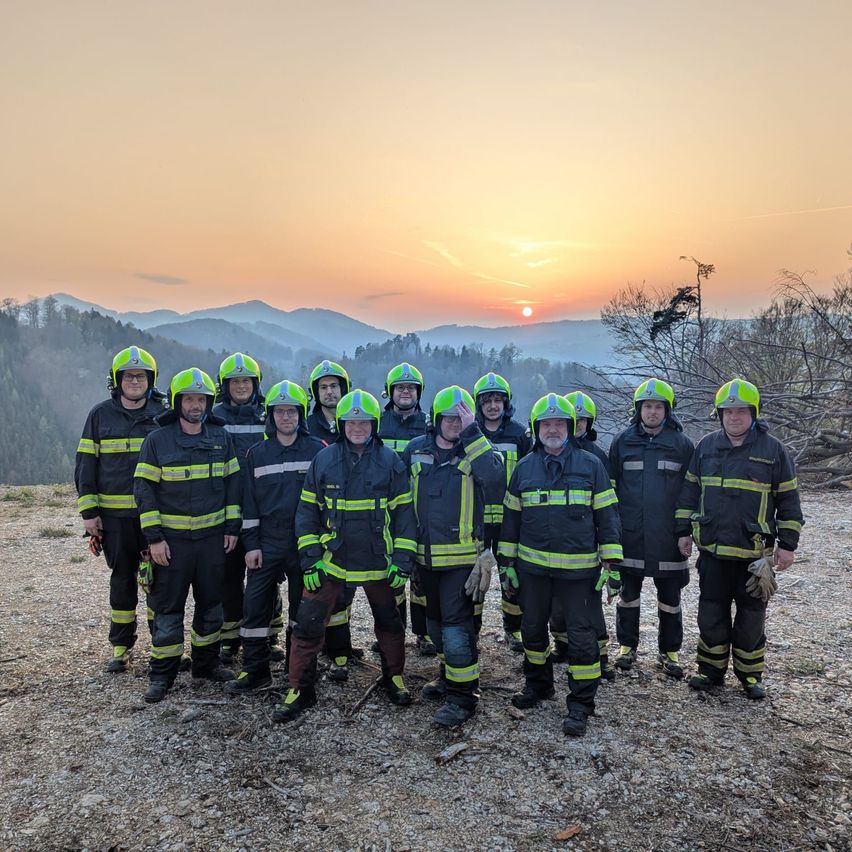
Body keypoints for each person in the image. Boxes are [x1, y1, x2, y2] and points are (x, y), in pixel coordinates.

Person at [273, 389, 417, 723]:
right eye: (351, 422)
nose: (358, 428)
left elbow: (405, 517)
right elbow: (306, 514)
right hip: (331, 561)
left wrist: (402, 562)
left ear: (374, 424)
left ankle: (394, 677)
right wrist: (310, 561)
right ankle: (299, 688)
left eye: (364, 422)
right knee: (308, 624)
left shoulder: (391, 462)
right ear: (341, 425)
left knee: (391, 623)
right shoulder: (324, 460)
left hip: (379, 561)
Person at [498, 393, 622, 737]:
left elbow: (607, 517)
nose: (553, 430)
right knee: (532, 630)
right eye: (546, 424)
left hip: (579, 573)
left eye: (559, 424)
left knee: (581, 637)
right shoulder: (524, 468)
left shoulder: (591, 465)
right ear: (536, 429)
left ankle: (581, 704)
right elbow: (511, 520)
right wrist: (507, 563)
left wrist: (612, 564)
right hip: (533, 570)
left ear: (570, 428)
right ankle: (538, 685)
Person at [675, 379, 803, 699]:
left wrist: (788, 545)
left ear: (754, 413)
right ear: (719, 414)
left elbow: (789, 500)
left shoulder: (773, 450)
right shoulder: (706, 446)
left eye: (741, 411)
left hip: (753, 557)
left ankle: (750, 676)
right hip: (713, 552)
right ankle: (710, 671)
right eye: (728, 411)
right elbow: (689, 492)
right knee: (711, 613)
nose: (734, 417)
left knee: (751, 619)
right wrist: (683, 531)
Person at [133, 368, 242, 703]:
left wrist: (232, 528)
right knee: (167, 610)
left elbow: (234, 485)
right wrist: (154, 538)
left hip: (212, 542)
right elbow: (144, 491)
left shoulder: (221, 438)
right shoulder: (157, 441)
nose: (196, 406)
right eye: (189, 399)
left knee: (211, 606)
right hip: (172, 544)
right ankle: (162, 675)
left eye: (201, 400)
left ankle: (205, 665)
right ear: (177, 401)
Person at [403, 386, 503, 726]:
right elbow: (401, 500)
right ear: (436, 419)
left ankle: (464, 697)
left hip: (462, 560)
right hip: (424, 558)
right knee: (433, 624)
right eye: (449, 418)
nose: (454, 425)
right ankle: (449, 676)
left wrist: (473, 432)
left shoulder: (477, 450)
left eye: (461, 420)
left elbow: (495, 479)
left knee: (456, 627)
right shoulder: (416, 450)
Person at [225, 381, 325, 694]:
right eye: (279, 411)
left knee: (302, 610)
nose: (286, 417)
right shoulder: (257, 454)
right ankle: (255, 670)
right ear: (270, 416)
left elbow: (325, 502)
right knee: (255, 606)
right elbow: (250, 504)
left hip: (304, 544)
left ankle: (299, 670)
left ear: (301, 414)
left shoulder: (318, 450)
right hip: (267, 542)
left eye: (291, 411)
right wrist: (251, 545)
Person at [75, 346, 165, 672]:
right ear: (116, 380)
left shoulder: (163, 415)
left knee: (160, 582)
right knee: (122, 580)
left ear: (151, 380)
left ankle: (163, 645)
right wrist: (89, 513)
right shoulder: (100, 415)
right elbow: (86, 466)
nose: (135, 381)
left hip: (155, 517)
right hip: (115, 519)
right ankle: (121, 646)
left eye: (141, 376)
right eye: (128, 376)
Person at [608, 379, 695, 678]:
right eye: (647, 406)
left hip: (668, 537)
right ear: (638, 409)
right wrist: (611, 534)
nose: (653, 412)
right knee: (628, 595)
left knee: (670, 598)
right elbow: (610, 491)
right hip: (630, 535)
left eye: (658, 406)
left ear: (668, 410)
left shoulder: (682, 445)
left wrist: (684, 531)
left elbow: (689, 492)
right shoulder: (622, 442)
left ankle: (669, 651)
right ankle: (626, 647)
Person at [212, 353, 279, 664]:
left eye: (246, 381)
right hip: (225, 508)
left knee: (265, 576)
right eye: (235, 381)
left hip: (262, 509)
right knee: (228, 577)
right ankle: (229, 639)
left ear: (256, 384)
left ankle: (270, 636)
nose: (241, 386)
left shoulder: (267, 416)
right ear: (224, 386)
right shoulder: (213, 417)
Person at [549, 391, 616, 680]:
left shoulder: (596, 458)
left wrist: (608, 549)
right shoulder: (546, 452)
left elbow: (607, 506)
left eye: (582, 421)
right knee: (556, 603)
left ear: (589, 423)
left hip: (584, 547)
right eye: (573, 421)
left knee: (589, 607)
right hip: (554, 545)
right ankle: (562, 645)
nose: (577, 426)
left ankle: (600, 656)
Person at [473, 372, 532, 650]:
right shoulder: (470, 432)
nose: (493, 406)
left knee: (512, 575)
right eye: (487, 401)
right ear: (479, 404)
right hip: (477, 518)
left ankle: (513, 629)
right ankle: (472, 628)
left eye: (498, 400)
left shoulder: (519, 434)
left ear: (506, 403)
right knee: (475, 576)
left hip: (510, 519)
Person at [378, 362, 432, 655]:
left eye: (411, 388)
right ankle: (393, 634)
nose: (406, 392)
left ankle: (424, 635)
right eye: (400, 387)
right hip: (388, 511)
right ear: (390, 392)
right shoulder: (378, 423)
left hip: (421, 509)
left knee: (422, 577)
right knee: (391, 576)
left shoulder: (428, 424)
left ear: (419, 392)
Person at [306, 360, 350, 445]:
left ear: (343, 389)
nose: (329, 392)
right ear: (316, 393)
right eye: (323, 387)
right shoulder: (307, 427)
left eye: (333, 386)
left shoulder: (356, 424)